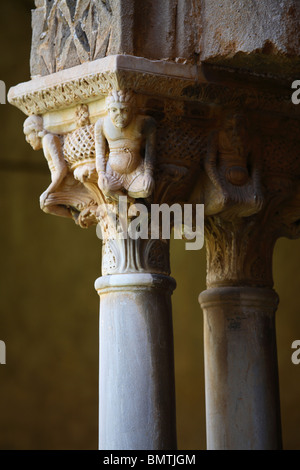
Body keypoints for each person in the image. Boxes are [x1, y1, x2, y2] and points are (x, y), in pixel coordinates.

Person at [95, 90, 156, 200]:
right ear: (108, 111)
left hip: (136, 170)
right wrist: (101, 174)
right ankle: (127, 200)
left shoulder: (144, 122)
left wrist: (148, 173)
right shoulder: (102, 124)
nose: (119, 114)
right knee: (104, 186)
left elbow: (150, 152)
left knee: (147, 188)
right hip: (112, 172)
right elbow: (100, 153)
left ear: (132, 110)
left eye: (124, 110)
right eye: (114, 110)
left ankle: (131, 199)